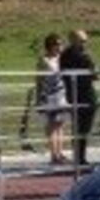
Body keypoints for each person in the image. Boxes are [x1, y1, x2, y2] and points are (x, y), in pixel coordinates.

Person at [60, 30, 98, 166]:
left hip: (82, 93)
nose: (84, 43)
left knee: (82, 128)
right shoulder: (77, 55)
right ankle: (79, 157)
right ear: (73, 40)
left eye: (85, 40)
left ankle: (80, 156)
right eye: (82, 40)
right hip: (80, 94)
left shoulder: (66, 54)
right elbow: (95, 74)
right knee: (80, 128)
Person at [36, 33, 68, 164]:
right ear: (51, 46)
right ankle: (53, 154)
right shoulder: (44, 60)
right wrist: (39, 97)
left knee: (61, 125)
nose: (60, 46)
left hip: (62, 95)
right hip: (50, 96)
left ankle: (60, 153)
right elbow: (39, 79)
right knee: (51, 126)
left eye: (61, 44)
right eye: (57, 44)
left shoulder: (62, 58)